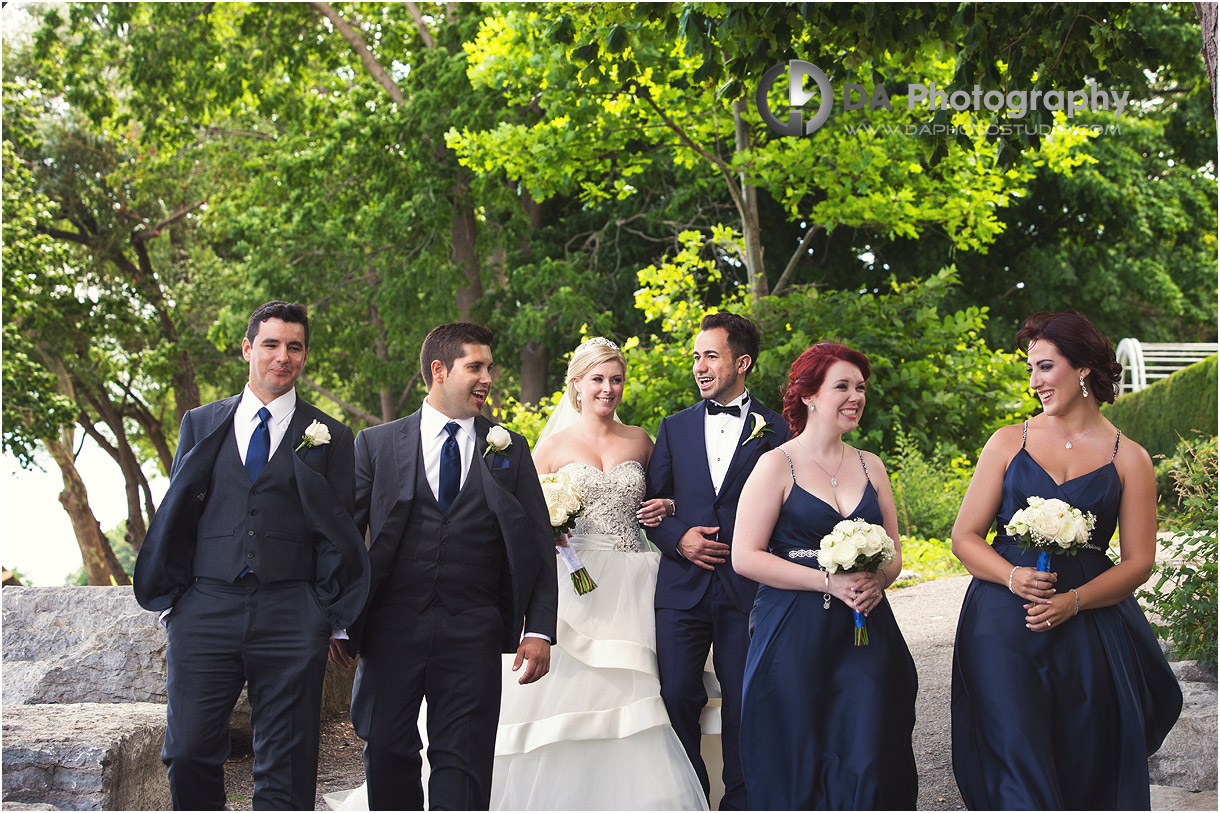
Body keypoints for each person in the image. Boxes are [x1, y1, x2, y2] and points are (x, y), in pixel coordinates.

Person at [133, 300, 370, 810]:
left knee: (286, 763)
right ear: (247, 349)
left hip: (291, 611)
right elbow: (179, 512)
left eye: (294, 347)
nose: (281, 356)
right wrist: (179, 602)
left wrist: (329, 616)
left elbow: (342, 532)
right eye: (270, 344)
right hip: (205, 607)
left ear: (304, 356)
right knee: (189, 750)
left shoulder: (331, 435)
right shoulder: (200, 423)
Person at [950, 311, 1183, 810]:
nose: (1034, 382)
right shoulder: (1008, 443)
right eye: (1031, 369)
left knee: (1086, 754)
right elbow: (965, 537)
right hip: (1002, 623)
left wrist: (1072, 602)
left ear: (1081, 369)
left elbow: (1139, 562)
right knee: (1014, 755)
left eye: (1045, 367)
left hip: (1088, 629)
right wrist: (1012, 576)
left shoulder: (1131, 458)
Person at [336, 322, 557, 810]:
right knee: (388, 750)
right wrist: (337, 620)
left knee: (464, 762)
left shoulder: (509, 448)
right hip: (390, 627)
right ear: (439, 370)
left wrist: (539, 628)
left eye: (490, 367)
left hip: (473, 628)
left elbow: (537, 544)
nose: (487, 378)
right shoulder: (375, 443)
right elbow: (346, 539)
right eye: (475, 367)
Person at [490, 336, 708, 810]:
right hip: (575, 581)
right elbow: (525, 518)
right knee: (569, 697)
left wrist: (668, 505)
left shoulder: (642, 441)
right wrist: (549, 531)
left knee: (641, 696)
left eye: (616, 379)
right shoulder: (549, 447)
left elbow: (676, 499)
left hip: (636, 582)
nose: (608, 389)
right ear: (576, 385)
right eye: (597, 379)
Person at [733, 341, 918, 810]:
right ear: (810, 395)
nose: (855, 396)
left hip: (867, 630)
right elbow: (745, 556)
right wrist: (825, 581)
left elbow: (893, 554)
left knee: (870, 748)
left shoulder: (870, 465)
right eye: (843, 386)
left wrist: (880, 579)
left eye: (860, 387)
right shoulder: (777, 464)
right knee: (800, 751)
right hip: (794, 630)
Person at [645, 312, 790, 809]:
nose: (700, 367)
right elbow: (652, 506)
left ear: (742, 362)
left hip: (749, 591)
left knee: (745, 702)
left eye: (711, 356)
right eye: (696, 357)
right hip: (682, 589)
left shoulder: (780, 430)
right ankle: (690, 800)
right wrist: (679, 536)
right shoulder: (674, 428)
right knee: (678, 695)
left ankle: (742, 801)